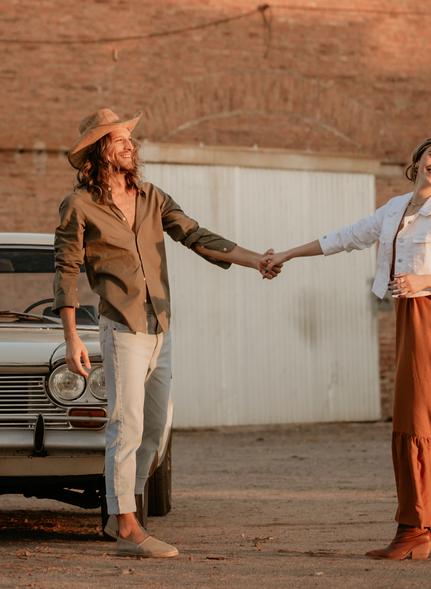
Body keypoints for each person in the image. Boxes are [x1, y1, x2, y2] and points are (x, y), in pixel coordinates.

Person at [259, 135, 431, 561]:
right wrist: (288, 255)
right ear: (418, 160)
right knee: (411, 421)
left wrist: (425, 280)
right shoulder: (394, 209)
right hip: (408, 320)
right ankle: (414, 529)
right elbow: (346, 237)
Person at [54, 108, 273, 558]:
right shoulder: (79, 205)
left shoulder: (152, 197)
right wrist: (72, 337)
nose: (129, 144)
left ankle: (123, 509)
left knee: (154, 427)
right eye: (119, 139)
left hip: (160, 326)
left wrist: (254, 260)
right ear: (99, 150)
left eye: (129, 138)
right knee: (126, 425)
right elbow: (66, 271)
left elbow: (195, 235)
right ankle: (127, 528)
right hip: (122, 327)